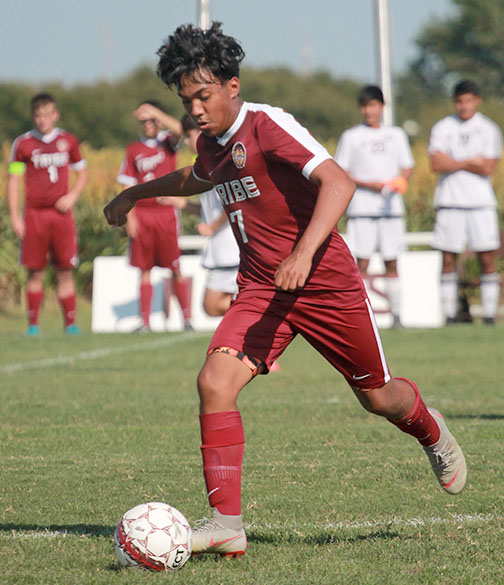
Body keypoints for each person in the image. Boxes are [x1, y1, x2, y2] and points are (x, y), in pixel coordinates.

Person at [104, 23, 467, 558]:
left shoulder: (266, 123)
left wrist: (302, 253)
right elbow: (198, 176)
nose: (196, 110)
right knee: (214, 382)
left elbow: (338, 181)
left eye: (203, 96)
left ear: (232, 85)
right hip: (261, 289)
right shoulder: (212, 144)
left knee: (378, 398)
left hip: (325, 284)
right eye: (186, 100)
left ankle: (430, 430)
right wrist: (136, 192)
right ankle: (227, 523)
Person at [7, 92, 87, 336]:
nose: (43, 120)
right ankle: (33, 325)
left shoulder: (68, 141)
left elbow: (82, 173)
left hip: (61, 216)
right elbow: (13, 180)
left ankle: (70, 324)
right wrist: (15, 216)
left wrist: (72, 196)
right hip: (34, 214)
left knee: (64, 269)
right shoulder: (23, 144)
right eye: (38, 116)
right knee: (35, 270)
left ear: (55, 115)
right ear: (33, 116)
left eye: (47, 115)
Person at [335, 85, 414, 329]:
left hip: (390, 209)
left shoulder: (396, 135)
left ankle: (397, 316)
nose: (369, 111)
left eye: (373, 105)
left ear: (382, 106)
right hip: (362, 209)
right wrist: (370, 184)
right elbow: (342, 171)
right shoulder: (351, 136)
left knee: (392, 262)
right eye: (365, 106)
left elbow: (407, 166)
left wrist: (400, 182)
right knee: (362, 264)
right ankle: (362, 317)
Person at [429, 80, 502, 325]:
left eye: (469, 100)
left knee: (486, 257)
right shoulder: (443, 127)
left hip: (481, 203)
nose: (464, 106)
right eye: (460, 101)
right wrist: (471, 161)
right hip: (450, 201)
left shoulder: (488, 128)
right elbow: (436, 163)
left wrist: (454, 161)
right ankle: (449, 316)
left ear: (477, 100)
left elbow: (489, 166)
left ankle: (490, 315)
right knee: (448, 258)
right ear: (455, 102)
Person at [117, 100, 192, 331]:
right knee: (145, 268)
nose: (147, 125)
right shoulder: (133, 150)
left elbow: (184, 131)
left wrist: (158, 112)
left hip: (166, 214)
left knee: (175, 267)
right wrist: (129, 217)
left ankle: (187, 320)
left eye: (151, 120)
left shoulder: (168, 142)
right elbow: (126, 185)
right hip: (143, 213)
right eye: (143, 121)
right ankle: (145, 321)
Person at [180, 113, 240, 317]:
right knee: (215, 306)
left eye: (188, 136)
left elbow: (234, 201)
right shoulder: (204, 163)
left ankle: (267, 311)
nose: (186, 142)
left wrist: (213, 226)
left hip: (229, 246)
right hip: (222, 248)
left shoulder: (220, 161)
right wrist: (183, 204)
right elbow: (210, 209)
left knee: (211, 305)